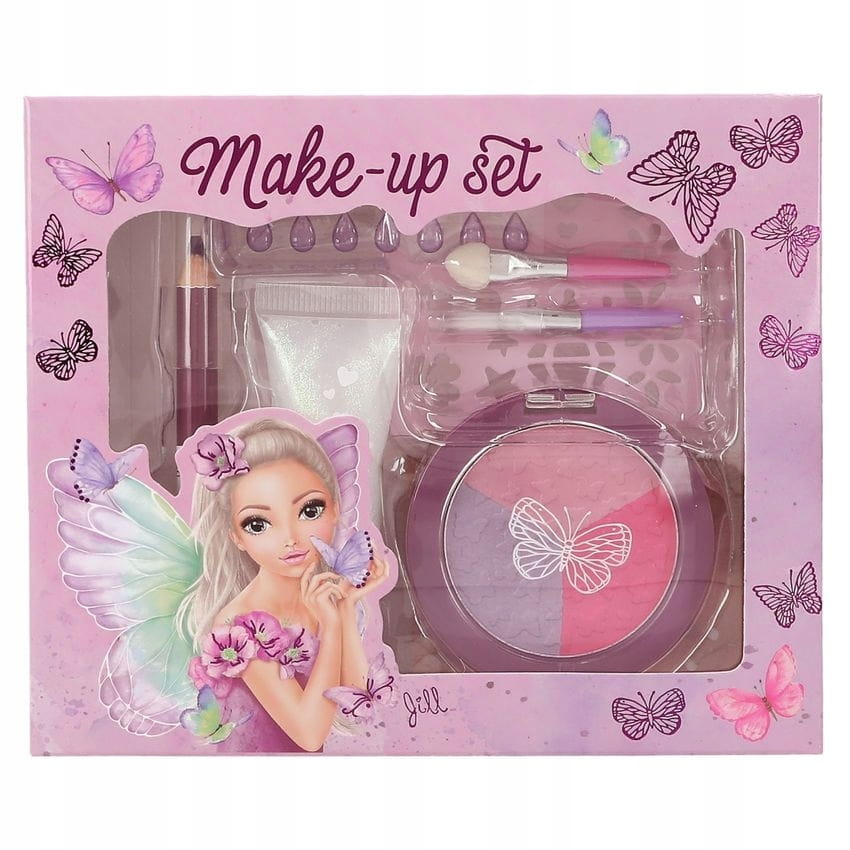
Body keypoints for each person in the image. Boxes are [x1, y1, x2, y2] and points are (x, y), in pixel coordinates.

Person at [181, 418, 388, 751]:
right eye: (258, 524)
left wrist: (346, 607)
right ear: (236, 537)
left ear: (335, 509)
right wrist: (332, 626)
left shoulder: (320, 598)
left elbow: (360, 699)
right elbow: (309, 735)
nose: (291, 538)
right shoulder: (240, 627)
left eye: (310, 510)